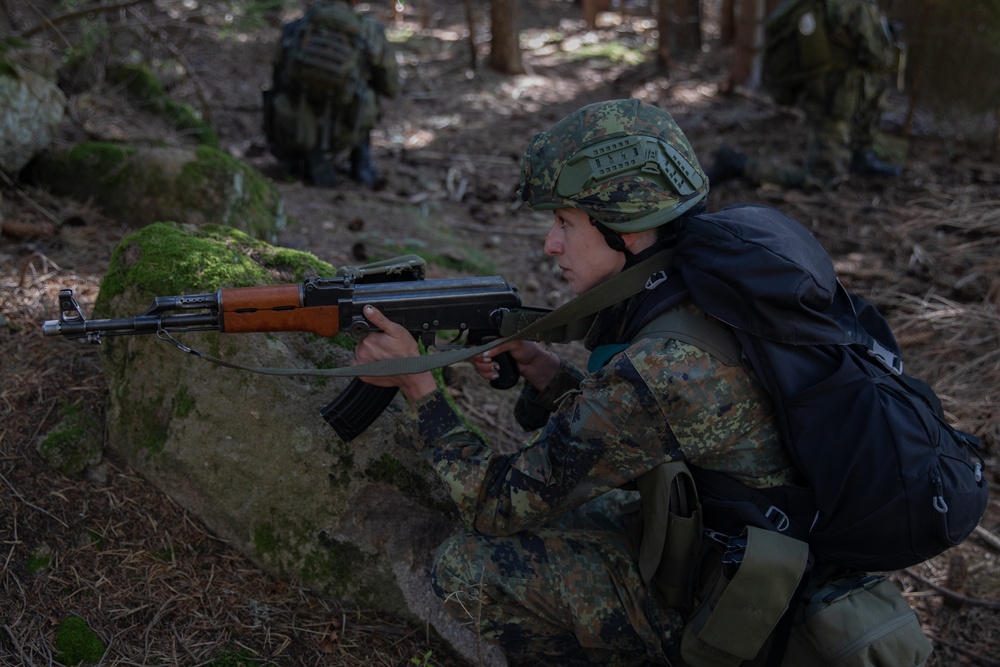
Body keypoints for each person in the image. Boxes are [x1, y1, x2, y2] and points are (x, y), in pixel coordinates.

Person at [352, 98, 801, 665]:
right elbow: (636, 432)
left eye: (566, 222)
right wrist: (544, 370)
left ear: (627, 231)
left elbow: (497, 505)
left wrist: (420, 389)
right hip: (722, 548)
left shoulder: (664, 364)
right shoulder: (697, 288)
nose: (550, 244)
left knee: (468, 568)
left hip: (738, 613)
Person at [707, 0, 902, 190]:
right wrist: (887, 38)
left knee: (839, 142)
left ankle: (860, 158)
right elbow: (879, 56)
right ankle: (738, 164)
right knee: (820, 177)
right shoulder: (857, 4)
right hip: (837, 96)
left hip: (832, 92)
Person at [263, 0, 399, 188]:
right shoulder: (370, 31)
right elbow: (390, 88)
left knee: (283, 97)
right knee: (369, 93)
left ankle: (299, 161)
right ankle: (361, 164)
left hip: (299, 128)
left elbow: (278, 82)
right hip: (347, 128)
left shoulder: (298, 27)